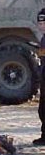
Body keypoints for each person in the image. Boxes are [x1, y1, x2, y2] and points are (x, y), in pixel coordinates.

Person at [33, 8, 45, 145]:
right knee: (42, 109)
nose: (41, 26)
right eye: (40, 24)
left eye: (43, 23)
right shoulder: (43, 39)